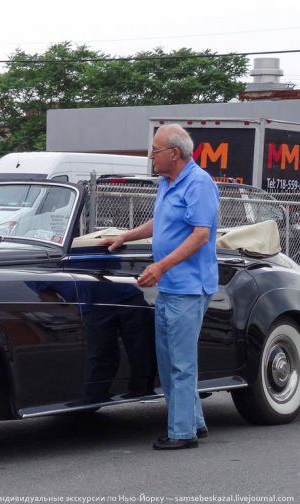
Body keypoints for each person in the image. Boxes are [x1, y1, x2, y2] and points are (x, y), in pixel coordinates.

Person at [103, 124, 219, 450]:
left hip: (189, 287)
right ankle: (193, 421)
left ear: (174, 153)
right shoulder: (167, 183)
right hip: (170, 286)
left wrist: (161, 266)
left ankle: (182, 433)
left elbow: (200, 235)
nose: (150, 155)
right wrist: (125, 235)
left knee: (181, 363)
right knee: (168, 361)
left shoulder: (199, 184)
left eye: (155, 150)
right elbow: (160, 222)